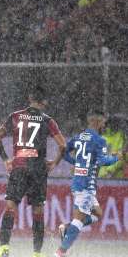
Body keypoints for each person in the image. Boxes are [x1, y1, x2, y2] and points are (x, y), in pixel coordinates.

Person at [0, 86, 67, 257]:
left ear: (30, 99)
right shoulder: (48, 120)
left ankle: (4, 248)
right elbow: (63, 145)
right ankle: (37, 253)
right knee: (38, 210)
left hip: (19, 167)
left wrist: (5, 159)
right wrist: (54, 162)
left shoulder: (16, 116)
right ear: (44, 102)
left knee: (10, 206)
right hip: (38, 169)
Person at [55, 110, 119, 257]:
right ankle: (60, 252)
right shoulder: (99, 140)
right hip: (86, 186)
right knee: (79, 220)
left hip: (79, 182)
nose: (104, 125)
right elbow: (103, 161)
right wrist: (116, 158)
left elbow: (63, 152)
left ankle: (66, 227)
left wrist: (78, 164)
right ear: (96, 122)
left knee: (98, 213)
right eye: (103, 122)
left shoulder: (79, 137)